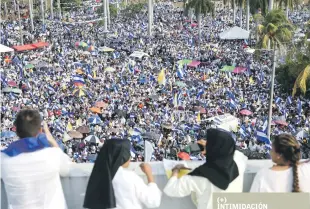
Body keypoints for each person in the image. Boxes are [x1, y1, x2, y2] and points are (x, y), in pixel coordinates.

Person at [1, 109, 72, 209]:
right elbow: (67, 167)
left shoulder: (4, 159)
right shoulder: (52, 154)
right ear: (40, 130)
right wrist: (51, 140)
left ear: (16, 131)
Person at [163, 128, 248, 209]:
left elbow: (171, 189)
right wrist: (211, 149)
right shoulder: (239, 162)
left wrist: (176, 170)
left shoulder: (201, 175)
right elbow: (233, 152)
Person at [83, 138, 162, 209]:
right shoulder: (130, 177)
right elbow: (153, 201)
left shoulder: (97, 178)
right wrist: (149, 175)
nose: (130, 157)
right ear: (122, 156)